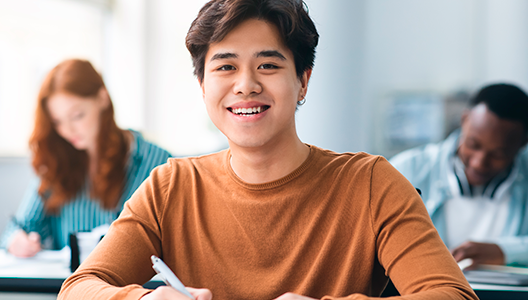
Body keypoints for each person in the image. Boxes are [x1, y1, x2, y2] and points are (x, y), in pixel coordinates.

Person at [58, 1, 477, 299]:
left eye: (269, 65)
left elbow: (449, 293)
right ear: (203, 86)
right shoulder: (171, 185)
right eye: (225, 66)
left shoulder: (370, 183)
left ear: (303, 82)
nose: (246, 85)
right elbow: (78, 288)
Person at [0, 59, 171, 258]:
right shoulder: (56, 162)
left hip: (138, 287)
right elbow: (18, 229)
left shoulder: (157, 162)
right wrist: (17, 241)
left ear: (103, 99)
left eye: (77, 116)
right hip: (73, 287)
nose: (68, 130)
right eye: (57, 122)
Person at [390, 83, 528, 268]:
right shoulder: (405, 170)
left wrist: (505, 251)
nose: (479, 163)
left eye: (498, 154)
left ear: (523, 143)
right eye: (473, 144)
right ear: (464, 119)